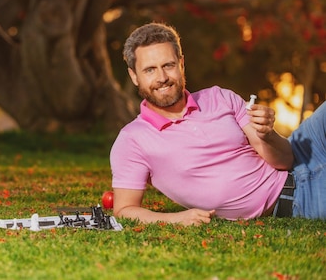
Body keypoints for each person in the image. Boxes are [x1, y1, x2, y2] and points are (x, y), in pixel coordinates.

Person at [110, 22, 326, 225]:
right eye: (150, 70)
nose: (162, 77)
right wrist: (176, 219)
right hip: (299, 199)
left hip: (304, 152)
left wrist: (267, 135)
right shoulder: (132, 140)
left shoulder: (219, 97)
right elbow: (124, 209)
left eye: (168, 65)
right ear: (134, 76)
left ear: (181, 64)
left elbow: (285, 160)